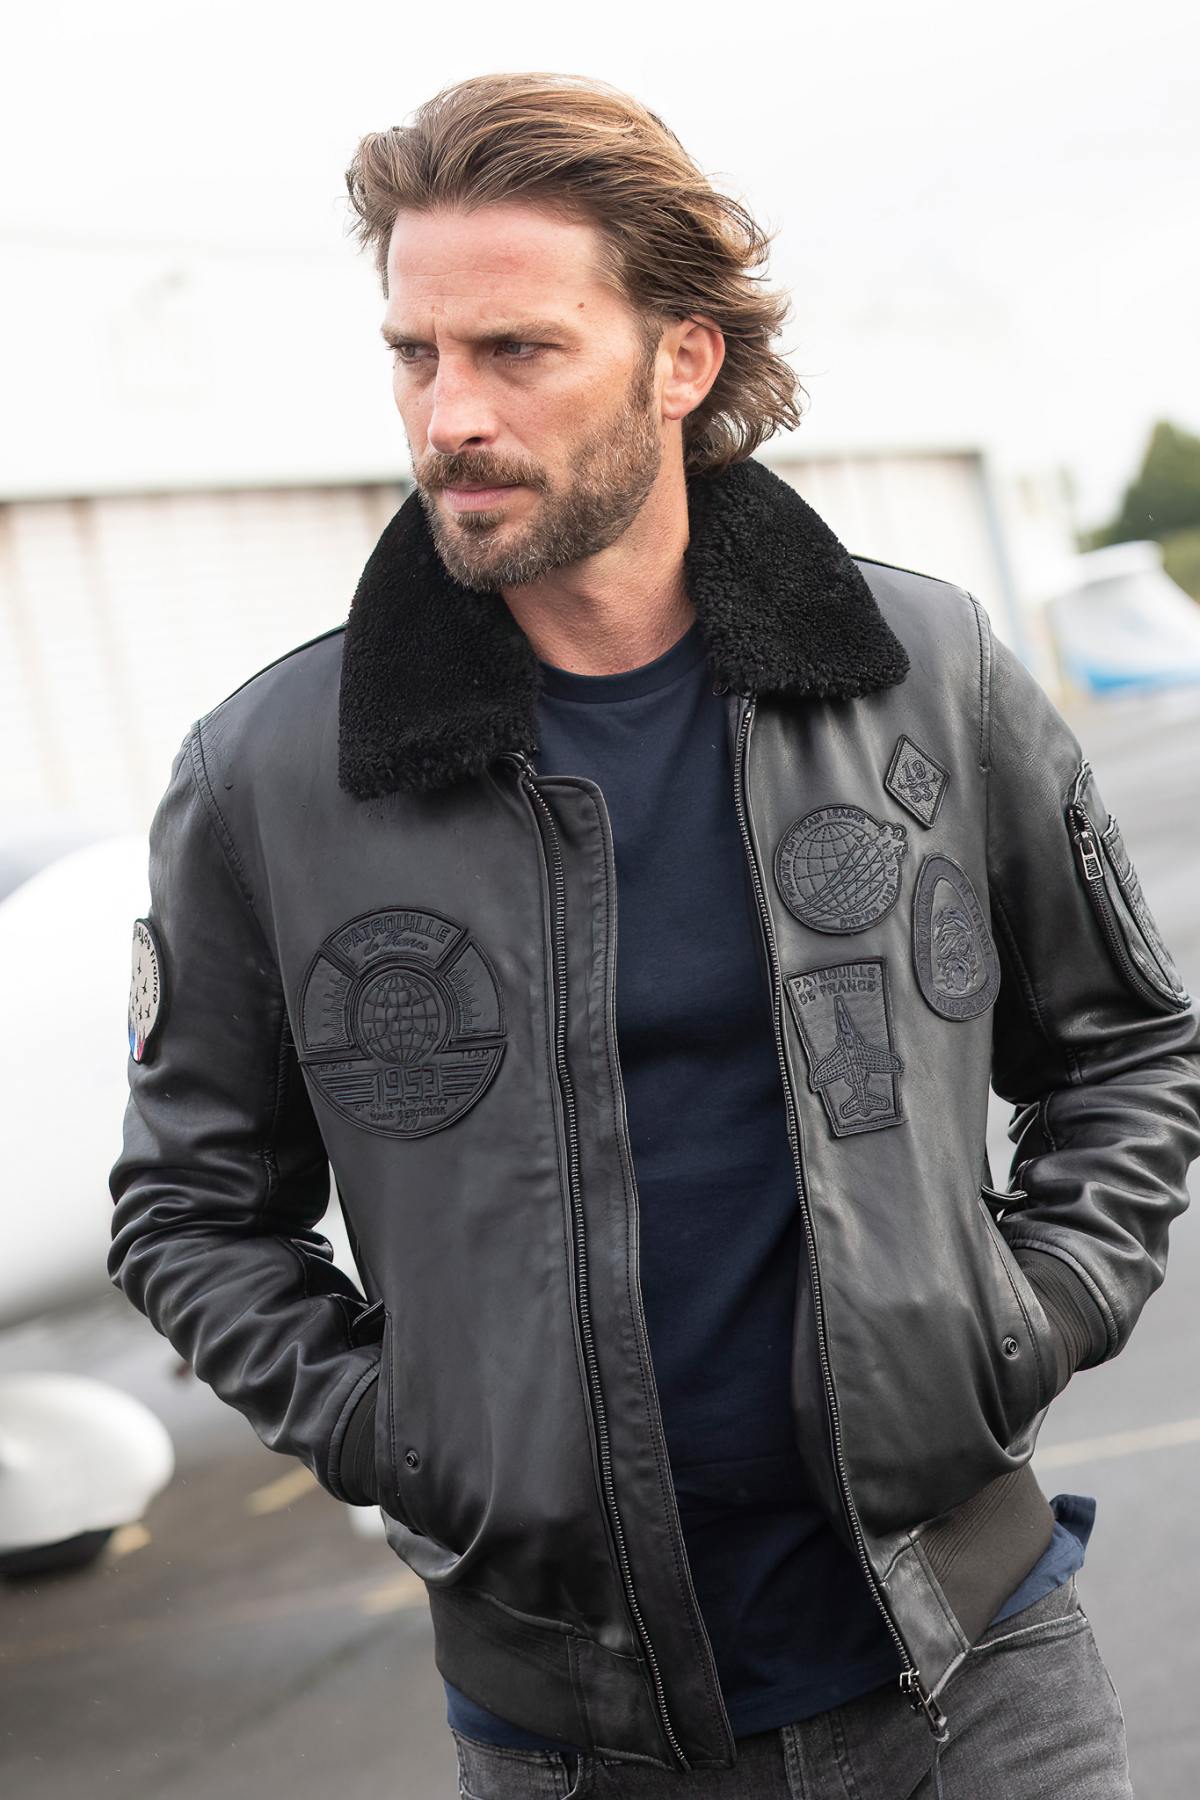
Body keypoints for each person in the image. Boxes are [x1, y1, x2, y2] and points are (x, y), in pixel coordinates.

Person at [109, 71, 1200, 1800]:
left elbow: (1124, 1043)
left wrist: (1034, 1310)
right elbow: (187, 1209)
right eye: (415, 354)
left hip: (979, 1681)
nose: (450, 413)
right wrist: (414, 1442)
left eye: (515, 351)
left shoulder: (927, 675)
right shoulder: (267, 777)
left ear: (681, 361)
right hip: (575, 1740)